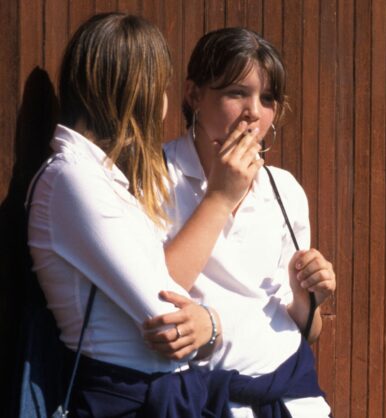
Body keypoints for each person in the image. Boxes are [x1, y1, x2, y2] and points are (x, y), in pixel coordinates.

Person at [26, 12, 237, 416]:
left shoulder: (100, 177)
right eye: (160, 88)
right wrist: (212, 322)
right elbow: (169, 317)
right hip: (123, 398)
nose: (164, 105)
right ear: (135, 92)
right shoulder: (71, 177)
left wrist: (207, 325)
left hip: (151, 393)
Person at [142, 27, 335, 417]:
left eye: (267, 98)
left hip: (295, 400)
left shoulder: (284, 190)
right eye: (236, 93)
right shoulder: (153, 177)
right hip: (202, 401)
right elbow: (147, 295)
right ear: (193, 95)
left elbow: (307, 330)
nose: (254, 112)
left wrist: (308, 298)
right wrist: (221, 195)